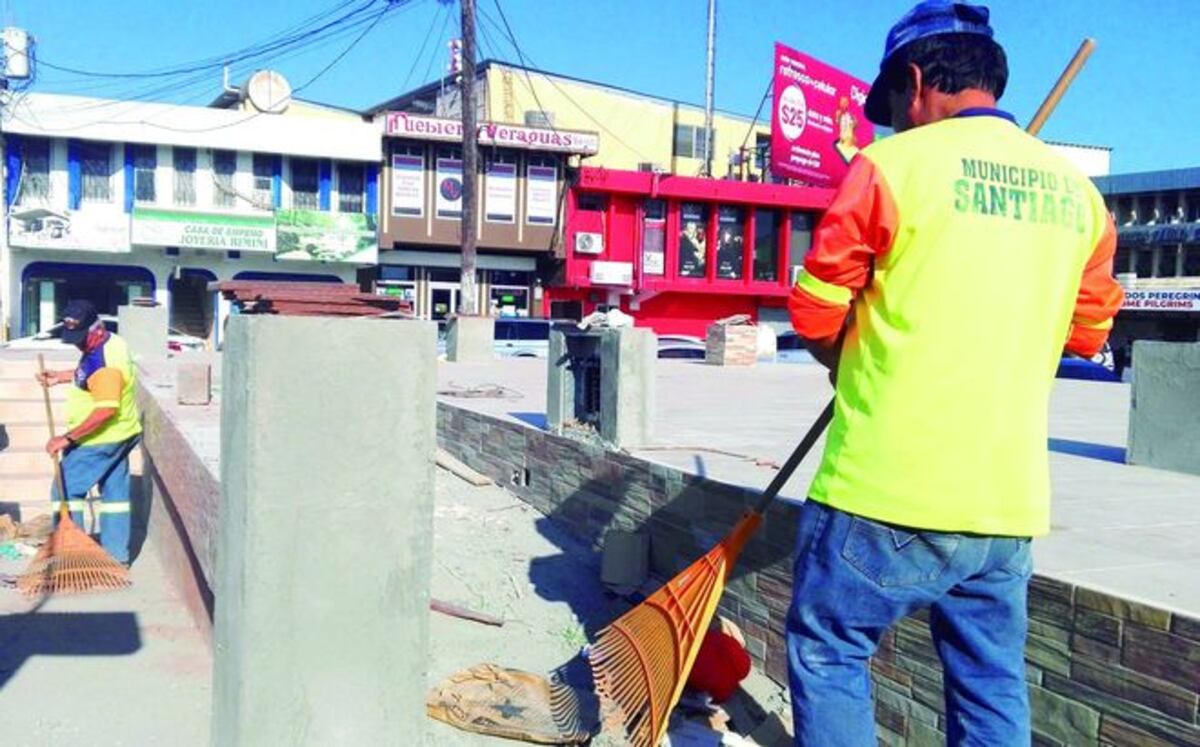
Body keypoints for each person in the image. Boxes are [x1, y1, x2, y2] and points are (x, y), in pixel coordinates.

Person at [784, 2, 1123, 745]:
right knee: (990, 682)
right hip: (1004, 506)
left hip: (884, 489)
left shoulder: (892, 168)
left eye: (894, 108)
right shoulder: (1080, 197)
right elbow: (1088, 335)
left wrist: (847, 359)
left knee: (830, 651)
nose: (896, 125)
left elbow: (813, 310)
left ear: (914, 82)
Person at [36, 300, 143, 566]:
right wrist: (62, 376)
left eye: (82, 338)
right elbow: (89, 372)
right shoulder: (111, 343)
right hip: (123, 432)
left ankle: (73, 557)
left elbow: (105, 410)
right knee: (115, 495)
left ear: (97, 329)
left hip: (99, 439)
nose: (78, 344)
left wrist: (67, 438)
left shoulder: (106, 363)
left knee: (65, 489)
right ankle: (117, 558)